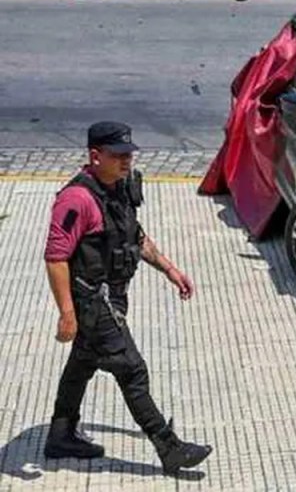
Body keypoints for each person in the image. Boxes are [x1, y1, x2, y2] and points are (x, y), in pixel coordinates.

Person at [43, 122, 212, 475]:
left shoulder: (118, 189)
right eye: (118, 155)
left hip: (113, 298)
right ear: (95, 156)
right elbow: (56, 257)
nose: (126, 161)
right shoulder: (76, 200)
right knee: (131, 370)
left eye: (129, 154)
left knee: (83, 363)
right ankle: (169, 448)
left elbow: (134, 236)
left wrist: (170, 269)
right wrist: (67, 314)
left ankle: (60, 434)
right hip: (92, 303)